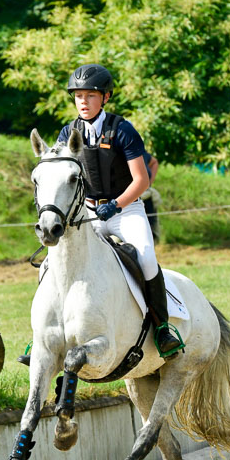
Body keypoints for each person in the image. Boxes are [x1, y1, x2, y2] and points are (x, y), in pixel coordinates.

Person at [57, 63, 182, 357]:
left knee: (147, 258)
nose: (83, 102)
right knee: (59, 261)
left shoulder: (122, 130)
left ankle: (162, 328)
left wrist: (115, 205)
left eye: (90, 96)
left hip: (126, 211)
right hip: (88, 214)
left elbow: (142, 180)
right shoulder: (67, 132)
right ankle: (49, 333)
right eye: (78, 96)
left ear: (105, 97)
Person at [142, 150, 161, 241]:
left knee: (149, 235)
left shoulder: (140, 150)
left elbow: (154, 162)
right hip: (125, 200)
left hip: (146, 197)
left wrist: (148, 183)